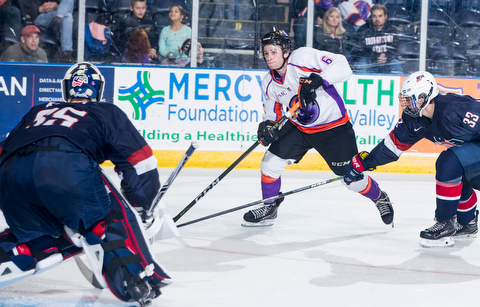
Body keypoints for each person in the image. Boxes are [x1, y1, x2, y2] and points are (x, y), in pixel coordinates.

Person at [0, 62, 172, 305]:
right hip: (65, 169)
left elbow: (3, 150)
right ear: (98, 90)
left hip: (10, 176)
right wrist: (144, 205)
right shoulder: (106, 111)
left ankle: (24, 248)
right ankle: (137, 279)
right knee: (111, 216)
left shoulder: (37, 111)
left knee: (37, 237)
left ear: (66, 89)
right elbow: (138, 163)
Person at [241, 30, 393, 227]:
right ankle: (269, 207)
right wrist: (267, 126)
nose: (269, 57)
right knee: (269, 163)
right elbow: (272, 113)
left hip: (334, 129)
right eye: (266, 52)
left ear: (286, 51)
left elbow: (342, 65)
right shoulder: (268, 82)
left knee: (351, 179)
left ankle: (379, 197)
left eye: (274, 52)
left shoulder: (302, 58)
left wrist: (319, 79)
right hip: (300, 128)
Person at [344, 71, 480, 248]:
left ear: (426, 96)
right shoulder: (413, 120)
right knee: (456, 171)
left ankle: (445, 222)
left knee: (450, 161)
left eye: (411, 99)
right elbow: (391, 147)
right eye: (405, 99)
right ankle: (467, 222)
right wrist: (363, 163)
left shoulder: (455, 109)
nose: (407, 104)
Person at [354, 3, 402, 74]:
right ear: (371, 16)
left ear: (385, 16)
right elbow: (358, 50)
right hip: (369, 61)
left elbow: (395, 49)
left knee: (395, 64)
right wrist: (375, 56)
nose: (377, 19)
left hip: (387, 61)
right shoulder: (363, 29)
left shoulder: (392, 30)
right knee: (362, 63)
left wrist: (386, 56)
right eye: (374, 16)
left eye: (380, 16)